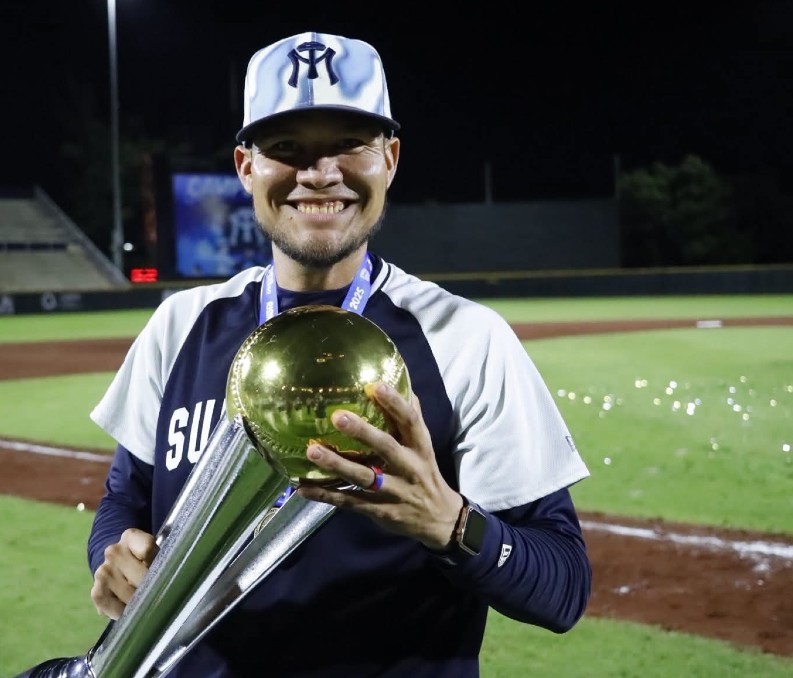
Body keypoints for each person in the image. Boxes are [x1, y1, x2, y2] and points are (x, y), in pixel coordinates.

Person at [55, 31, 591, 677]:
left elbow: (561, 587)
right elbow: (125, 499)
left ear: (389, 159)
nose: (319, 173)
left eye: (349, 144)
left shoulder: (465, 340)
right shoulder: (182, 324)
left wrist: (452, 524)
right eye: (287, 148)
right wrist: (112, 554)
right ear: (245, 167)